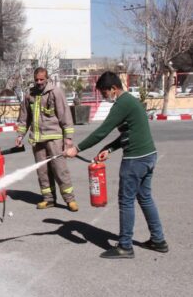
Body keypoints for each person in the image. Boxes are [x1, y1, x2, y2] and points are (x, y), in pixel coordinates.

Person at [64, 71, 168, 259]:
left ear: (113, 89)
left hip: (135, 160)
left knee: (126, 201)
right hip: (148, 156)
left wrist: (77, 149)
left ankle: (125, 246)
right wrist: (109, 149)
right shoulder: (130, 101)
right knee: (145, 198)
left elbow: (102, 131)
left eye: (104, 93)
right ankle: (158, 240)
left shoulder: (122, 104)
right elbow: (130, 132)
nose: (105, 97)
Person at [15, 67, 78, 212]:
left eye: (41, 79)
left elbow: (65, 116)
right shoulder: (29, 95)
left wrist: (68, 139)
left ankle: (70, 200)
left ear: (47, 79)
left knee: (60, 170)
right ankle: (48, 199)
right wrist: (20, 135)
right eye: (36, 80)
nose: (38, 82)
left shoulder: (56, 92)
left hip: (54, 138)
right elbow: (24, 118)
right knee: (42, 172)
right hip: (37, 140)